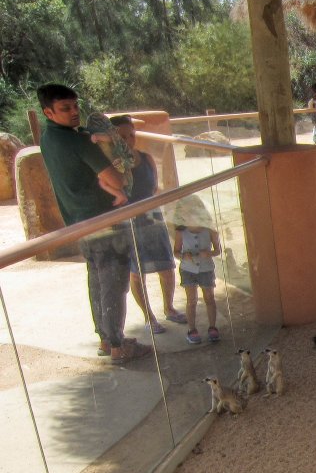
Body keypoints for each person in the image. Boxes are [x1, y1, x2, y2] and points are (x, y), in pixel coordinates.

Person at [36, 83, 151, 365]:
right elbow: (116, 179)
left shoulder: (49, 138)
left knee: (97, 279)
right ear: (48, 111)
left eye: (75, 106)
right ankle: (117, 345)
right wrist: (120, 176)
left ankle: (106, 337)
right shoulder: (76, 142)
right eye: (66, 109)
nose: (74, 112)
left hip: (79, 220)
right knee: (114, 282)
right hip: (104, 217)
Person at [109, 115, 187, 334]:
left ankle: (169, 308)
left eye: (131, 135)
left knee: (166, 266)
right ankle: (148, 316)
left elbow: (154, 189)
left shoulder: (146, 158)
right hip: (128, 222)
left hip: (152, 218)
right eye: (122, 136)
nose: (128, 140)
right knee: (137, 272)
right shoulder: (112, 167)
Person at [172, 196, 222, 345]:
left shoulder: (210, 230)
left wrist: (210, 253)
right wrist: (182, 256)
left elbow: (218, 249)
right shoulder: (181, 232)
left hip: (206, 268)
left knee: (209, 298)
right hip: (188, 269)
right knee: (191, 300)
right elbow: (175, 252)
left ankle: (213, 327)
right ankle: (192, 329)